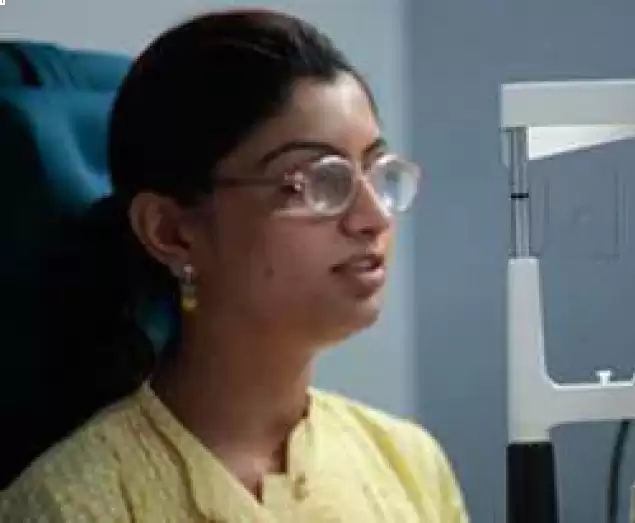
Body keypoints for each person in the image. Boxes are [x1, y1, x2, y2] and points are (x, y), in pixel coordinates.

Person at [0, 8, 468, 522]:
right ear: (171, 232)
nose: (373, 217)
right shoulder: (71, 505)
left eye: (377, 172)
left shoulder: (407, 463)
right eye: (318, 182)